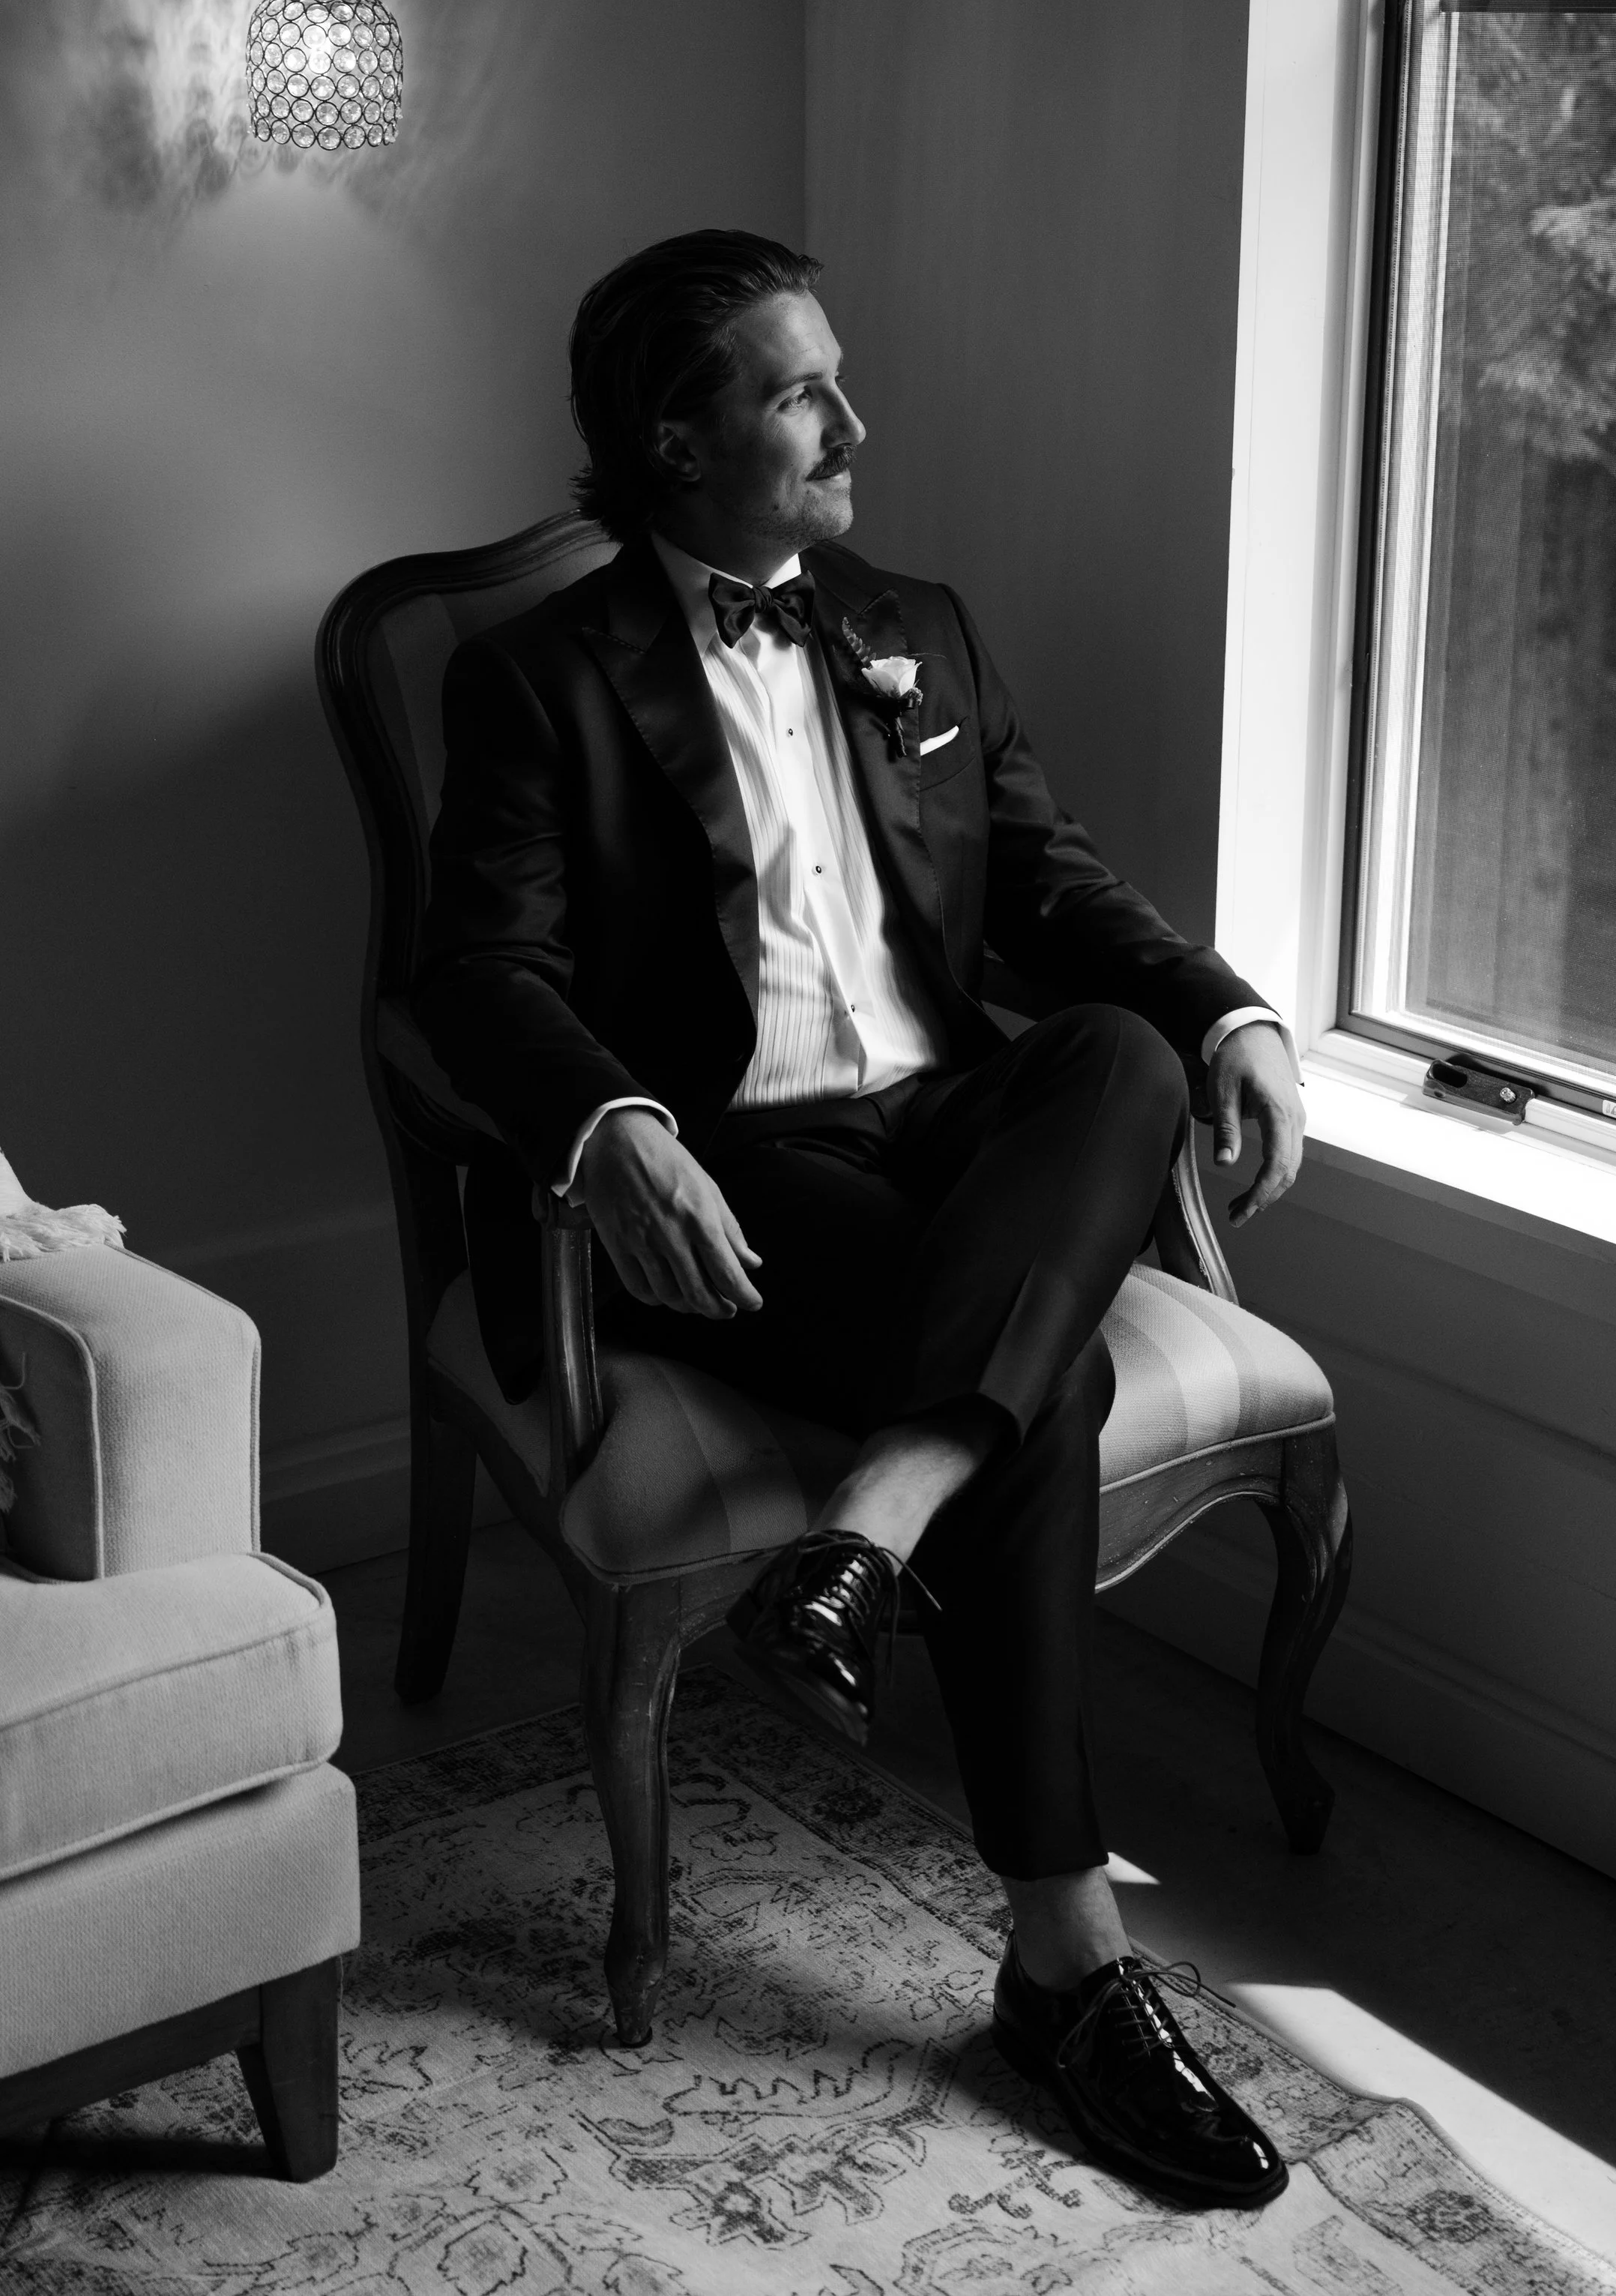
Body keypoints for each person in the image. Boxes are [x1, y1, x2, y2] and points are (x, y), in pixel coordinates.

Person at [414, 229, 1306, 2209]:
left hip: (953, 1122)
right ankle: (1069, 1968)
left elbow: (1056, 886)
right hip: (738, 1168)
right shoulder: (536, 681)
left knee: (1115, 1055)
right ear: (675, 437)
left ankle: (870, 1519)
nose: (854, 421)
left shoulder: (920, 623)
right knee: (1042, 1381)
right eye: (800, 390)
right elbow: (477, 966)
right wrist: (611, 1122)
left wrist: (1225, 1007)